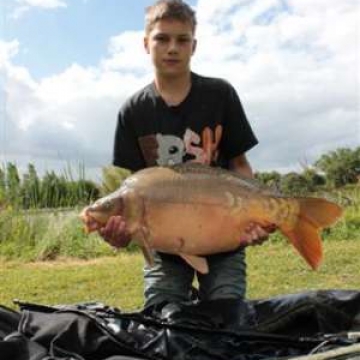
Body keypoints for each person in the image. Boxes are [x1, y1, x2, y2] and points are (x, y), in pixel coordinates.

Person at [99, 0, 274, 307]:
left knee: (226, 316)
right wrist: (121, 231)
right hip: (163, 250)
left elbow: (240, 165)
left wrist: (259, 214)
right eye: (162, 39)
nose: (172, 48)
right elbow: (134, 190)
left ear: (194, 46)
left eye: (182, 40)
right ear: (145, 44)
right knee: (161, 316)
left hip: (224, 240)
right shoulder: (133, 111)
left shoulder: (220, 94)